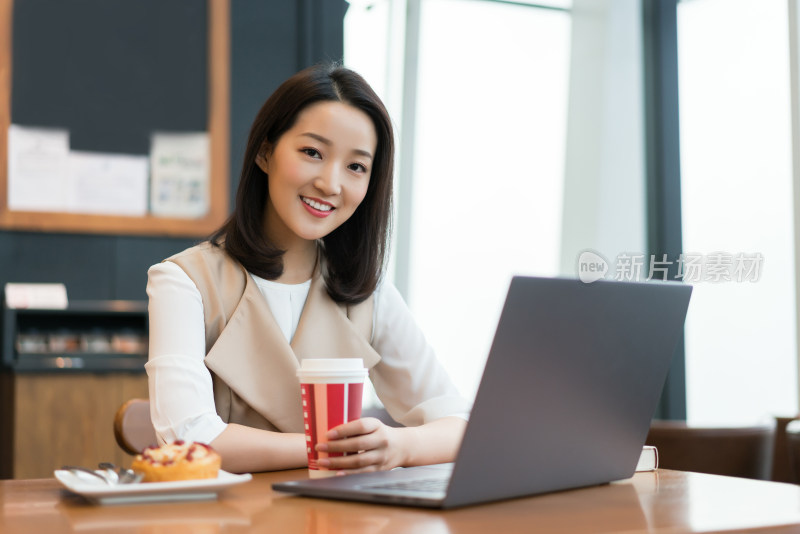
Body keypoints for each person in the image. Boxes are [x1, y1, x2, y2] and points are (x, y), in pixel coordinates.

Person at [145, 63, 470, 474]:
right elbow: (188, 437)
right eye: (312, 153)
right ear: (265, 152)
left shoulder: (367, 291)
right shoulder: (184, 281)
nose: (331, 184)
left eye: (356, 167)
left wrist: (399, 445)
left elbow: (458, 422)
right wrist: (336, 449)